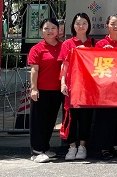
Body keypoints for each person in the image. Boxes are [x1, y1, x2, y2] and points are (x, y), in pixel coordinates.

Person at [92, 14, 117, 160]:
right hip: (105, 88)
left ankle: (112, 145)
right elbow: (95, 64)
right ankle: (103, 148)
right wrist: (104, 53)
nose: (116, 26)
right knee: (104, 118)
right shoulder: (100, 44)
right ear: (106, 25)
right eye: (112, 23)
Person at [59, 12, 95, 161]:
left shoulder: (93, 43)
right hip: (71, 86)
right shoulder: (67, 43)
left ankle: (82, 146)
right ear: (73, 26)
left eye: (84, 23)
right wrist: (63, 82)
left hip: (88, 88)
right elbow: (64, 65)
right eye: (78, 23)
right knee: (71, 117)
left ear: (88, 25)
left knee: (86, 118)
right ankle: (72, 146)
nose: (81, 26)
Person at [28, 18, 63, 163]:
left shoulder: (63, 46)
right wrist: (34, 89)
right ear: (41, 30)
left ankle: (45, 147)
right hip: (41, 90)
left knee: (50, 121)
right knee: (38, 122)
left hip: (57, 90)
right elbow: (34, 70)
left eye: (53, 28)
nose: (50, 31)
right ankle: (36, 151)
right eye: (46, 28)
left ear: (58, 30)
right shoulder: (37, 49)